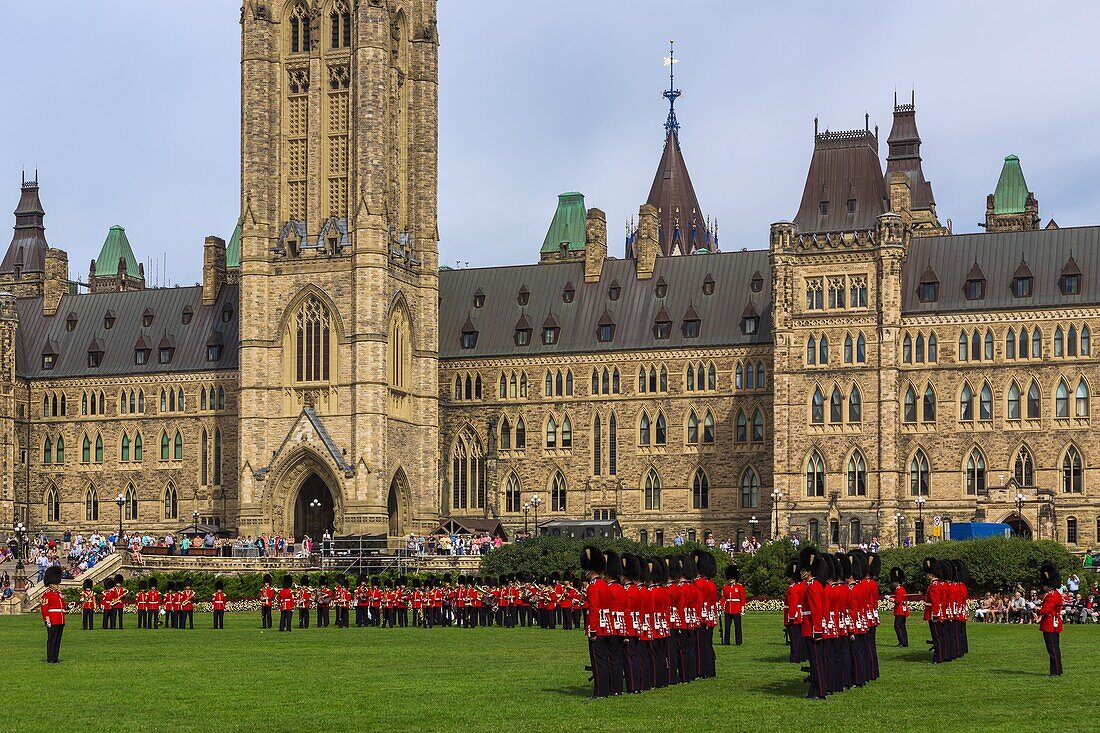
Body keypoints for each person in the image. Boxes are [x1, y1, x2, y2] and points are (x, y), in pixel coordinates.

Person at [580, 545, 611, 698]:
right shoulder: (604, 585)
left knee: (597, 661)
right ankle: (605, 689)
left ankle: (599, 691)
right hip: (606, 626)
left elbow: (593, 609)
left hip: (597, 628)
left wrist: (592, 630)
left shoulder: (593, 586)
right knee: (603, 660)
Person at [1038, 563, 1064, 676]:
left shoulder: (1052, 595)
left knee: (1052, 649)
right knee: (1054, 649)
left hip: (1050, 624)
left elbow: (1046, 610)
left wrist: (1037, 610)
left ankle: (1055, 672)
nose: (1043, 587)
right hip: (1051, 623)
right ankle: (1057, 670)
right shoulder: (1053, 594)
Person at [41, 565, 66, 663]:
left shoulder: (58, 594)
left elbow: (63, 606)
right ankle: (51, 658)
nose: (57, 585)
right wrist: (47, 620)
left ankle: (55, 657)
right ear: (50, 584)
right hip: (52, 620)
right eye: (55, 584)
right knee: (52, 640)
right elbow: (44, 609)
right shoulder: (47, 595)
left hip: (60, 619)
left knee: (58, 640)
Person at [783, 558, 805, 663]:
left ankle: (795, 657)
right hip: (801, 615)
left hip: (794, 616)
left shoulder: (793, 588)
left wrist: (790, 617)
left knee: (794, 639)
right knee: (800, 639)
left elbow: (793, 605)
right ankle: (801, 656)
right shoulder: (802, 586)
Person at [721, 563, 746, 646]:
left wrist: (742, 609)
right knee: (727, 627)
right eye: (730, 579)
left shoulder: (739, 587)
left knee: (737, 627)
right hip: (728, 609)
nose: (731, 580)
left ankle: (738, 641)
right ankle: (726, 641)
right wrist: (721, 607)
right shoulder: (725, 587)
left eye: (732, 578)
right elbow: (723, 598)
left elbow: (742, 599)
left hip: (736, 609)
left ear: (735, 579)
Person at [890, 567, 908, 647]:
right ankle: (904, 642)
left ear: (896, 582)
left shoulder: (899, 590)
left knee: (897, 626)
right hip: (902, 610)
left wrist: (890, 599)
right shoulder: (902, 589)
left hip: (900, 610)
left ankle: (902, 642)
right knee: (902, 626)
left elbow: (898, 600)